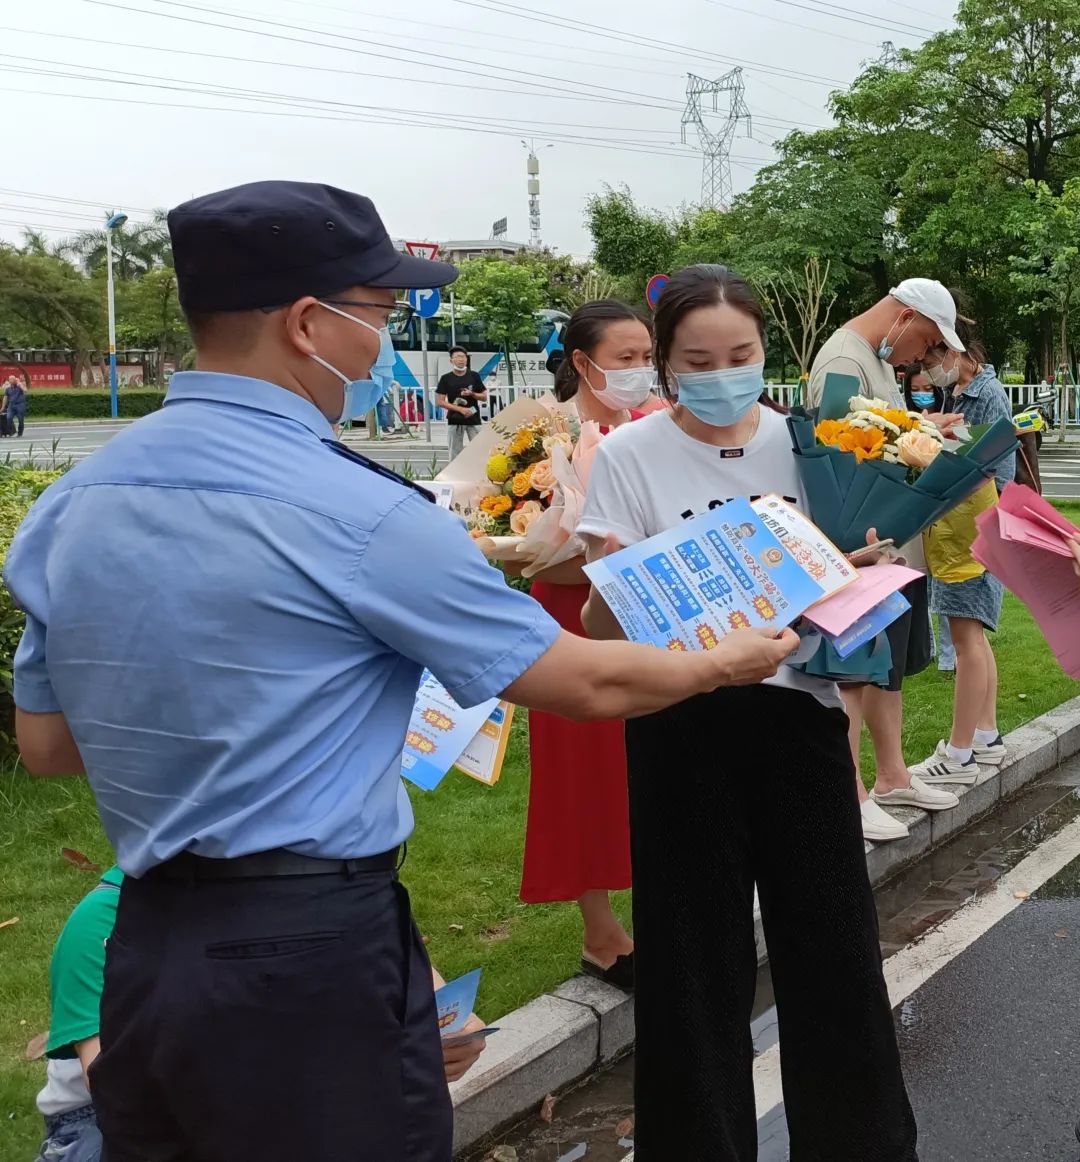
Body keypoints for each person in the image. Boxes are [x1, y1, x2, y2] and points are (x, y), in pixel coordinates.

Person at [4, 182, 799, 1162]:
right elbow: (582, 682)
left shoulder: (73, 504)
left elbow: (44, 746)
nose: (384, 342)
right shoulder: (361, 511)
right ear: (308, 323)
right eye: (379, 315)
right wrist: (722, 660)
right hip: (310, 953)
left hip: (144, 951)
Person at [577, 264, 917, 1161]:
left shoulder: (811, 443)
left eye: (742, 354)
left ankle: (862, 1143)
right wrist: (612, 570)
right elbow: (597, 623)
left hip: (797, 717)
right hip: (680, 724)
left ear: (767, 349)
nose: (723, 373)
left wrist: (860, 566)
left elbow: (838, 579)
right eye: (698, 358)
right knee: (691, 968)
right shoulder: (626, 455)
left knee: (835, 953)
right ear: (666, 368)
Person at [31, 865, 490, 1162]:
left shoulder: (317, 893)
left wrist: (457, 1035)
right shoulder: (100, 924)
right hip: (98, 1119)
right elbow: (118, 1089)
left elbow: (435, 1001)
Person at [520, 300, 658, 989]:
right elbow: (527, 550)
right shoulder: (537, 441)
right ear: (582, 362)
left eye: (646, 357)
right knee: (584, 772)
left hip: (651, 614)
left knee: (657, 764)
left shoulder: (657, 425)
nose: (639, 372)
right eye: (624, 359)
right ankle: (601, 932)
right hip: (571, 618)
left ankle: (662, 901)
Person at [809, 281, 966, 842]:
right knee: (854, 672)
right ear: (903, 317)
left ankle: (893, 776)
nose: (921, 355)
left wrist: (925, 431)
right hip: (862, 549)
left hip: (891, 547)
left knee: (888, 667)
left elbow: (886, 437)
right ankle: (848, 793)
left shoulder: (872, 364)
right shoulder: (845, 360)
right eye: (924, 340)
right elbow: (840, 455)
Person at [910, 319, 1015, 784]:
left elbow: (985, 465)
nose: (932, 374)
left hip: (968, 537)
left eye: (933, 361)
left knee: (968, 641)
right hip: (968, 535)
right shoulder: (965, 394)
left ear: (955, 352)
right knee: (975, 637)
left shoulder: (985, 396)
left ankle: (958, 753)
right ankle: (985, 736)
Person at [903, 366, 957, 674]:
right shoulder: (904, 422)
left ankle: (950, 655)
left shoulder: (950, 417)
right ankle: (929, 647)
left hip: (944, 512)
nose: (921, 392)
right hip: (916, 514)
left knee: (946, 586)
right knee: (921, 584)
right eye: (916, 388)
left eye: (927, 387)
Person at [436, 346, 486, 459]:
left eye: (463, 357)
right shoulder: (446, 378)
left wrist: (472, 394)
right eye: (457, 357)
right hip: (455, 419)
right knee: (454, 453)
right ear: (451, 360)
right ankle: (454, 475)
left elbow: (484, 397)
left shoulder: (474, 375)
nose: (461, 359)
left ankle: (478, 474)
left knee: (480, 450)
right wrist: (461, 409)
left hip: (474, 419)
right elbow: (440, 401)